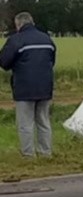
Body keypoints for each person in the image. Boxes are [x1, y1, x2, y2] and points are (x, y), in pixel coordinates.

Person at [0, 12, 56, 158]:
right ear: (32, 22)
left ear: (19, 24)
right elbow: (52, 61)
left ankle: (28, 155)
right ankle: (46, 153)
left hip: (24, 87)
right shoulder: (47, 39)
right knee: (43, 121)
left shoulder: (16, 40)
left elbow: (4, 62)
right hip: (45, 86)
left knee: (25, 124)